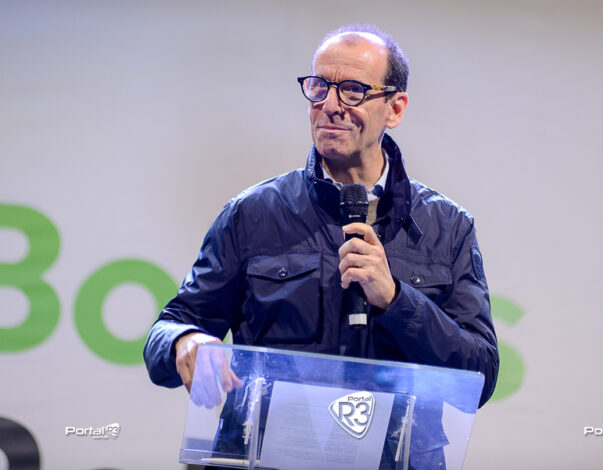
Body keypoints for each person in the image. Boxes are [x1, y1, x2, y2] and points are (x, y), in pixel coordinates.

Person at [144, 23, 498, 469]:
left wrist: (396, 299)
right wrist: (184, 340)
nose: (330, 105)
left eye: (352, 90)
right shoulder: (251, 214)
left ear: (395, 108)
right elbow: (170, 328)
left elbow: (479, 375)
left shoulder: (447, 226)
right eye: (318, 87)